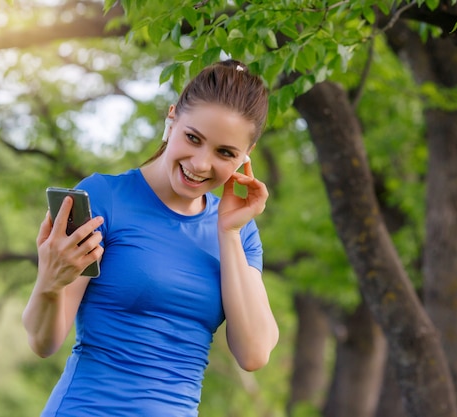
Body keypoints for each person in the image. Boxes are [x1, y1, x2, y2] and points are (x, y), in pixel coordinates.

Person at [22, 59, 279, 417]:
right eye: (193, 138)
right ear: (171, 119)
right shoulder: (104, 198)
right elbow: (43, 342)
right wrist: (49, 283)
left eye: (225, 153)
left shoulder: (239, 230)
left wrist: (229, 232)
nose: (201, 164)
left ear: (243, 160)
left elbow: (253, 354)